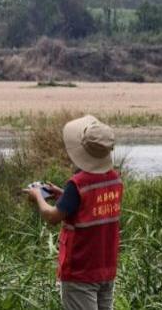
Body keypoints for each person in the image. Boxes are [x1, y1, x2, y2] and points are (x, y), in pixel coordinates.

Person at [25, 115, 123, 310]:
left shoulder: (78, 184)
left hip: (80, 272)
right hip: (106, 269)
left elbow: (52, 217)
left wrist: (37, 196)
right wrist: (63, 195)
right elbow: (92, 206)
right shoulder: (115, 180)